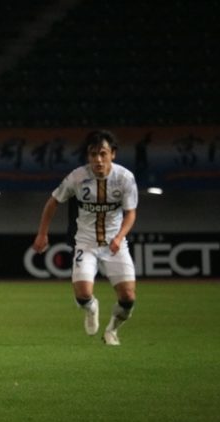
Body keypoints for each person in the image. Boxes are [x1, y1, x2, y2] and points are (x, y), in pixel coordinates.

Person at [32, 130, 137, 346]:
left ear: (113, 154)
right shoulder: (77, 177)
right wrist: (42, 233)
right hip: (85, 243)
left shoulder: (125, 178)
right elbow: (53, 201)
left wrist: (120, 237)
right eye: (93, 154)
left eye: (103, 153)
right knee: (83, 294)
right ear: (88, 156)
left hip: (115, 244)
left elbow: (130, 213)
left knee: (128, 297)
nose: (98, 160)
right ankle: (91, 308)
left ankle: (112, 330)